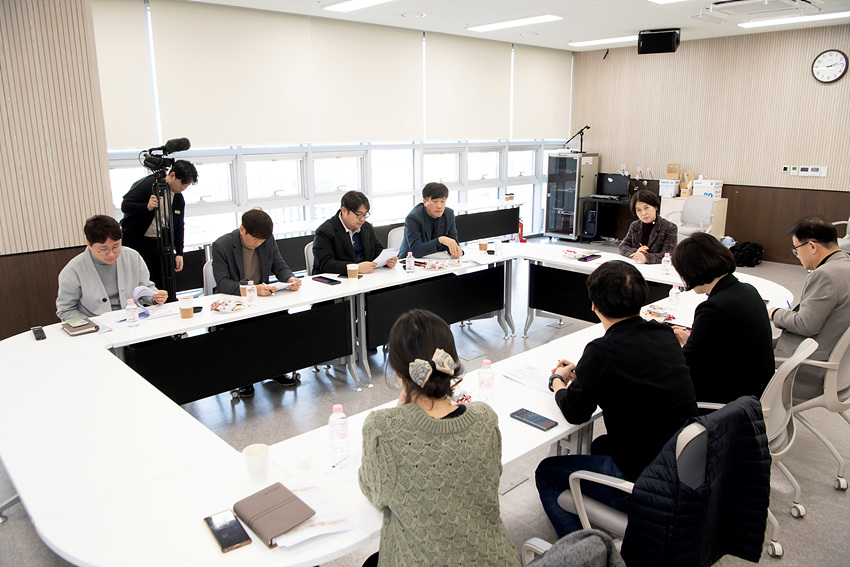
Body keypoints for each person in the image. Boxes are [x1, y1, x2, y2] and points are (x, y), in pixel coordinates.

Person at [535, 261, 697, 538]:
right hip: (680, 464)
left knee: (546, 472)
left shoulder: (602, 350)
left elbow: (575, 412)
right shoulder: (664, 333)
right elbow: (634, 370)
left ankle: (584, 551)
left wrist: (558, 382)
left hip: (644, 479)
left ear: (594, 306)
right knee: (599, 445)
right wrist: (586, 372)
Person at [358, 309, 519, 567]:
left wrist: (398, 414)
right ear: (451, 363)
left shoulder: (382, 429)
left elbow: (375, 493)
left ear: (398, 372)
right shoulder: (485, 418)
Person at [671, 232, 775, 403]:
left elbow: (687, 363)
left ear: (693, 270)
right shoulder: (748, 290)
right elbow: (728, 345)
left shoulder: (713, 308)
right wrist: (693, 339)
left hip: (732, 399)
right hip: (757, 387)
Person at [211, 208, 303, 396]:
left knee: (281, 320)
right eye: (255, 239)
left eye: (262, 240)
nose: (258, 243)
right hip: (236, 301)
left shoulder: (267, 240)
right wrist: (252, 289)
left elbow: (279, 265)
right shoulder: (222, 245)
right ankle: (245, 378)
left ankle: (276, 370)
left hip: (262, 299)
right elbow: (223, 283)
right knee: (243, 330)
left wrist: (290, 279)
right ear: (242, 229)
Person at [769, 216, 850, 402]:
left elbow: (805, 325)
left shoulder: (825, 275)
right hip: (840, 369)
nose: (797, 256)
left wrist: (774, 313)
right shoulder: (845, 264)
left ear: (812, 246)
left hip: (807, 369)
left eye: (797, 249)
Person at [56, 215, 167, 321]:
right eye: (103, 249)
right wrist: (92, 324)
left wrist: (154, 297)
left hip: (133, 320)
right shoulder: (73, 269)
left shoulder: (132, 257)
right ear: (89, 245)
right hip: (97, 328)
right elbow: (65, 310)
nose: (111, 254)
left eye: (116, 246)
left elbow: (145, 288)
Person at [120, 160, 199, 291]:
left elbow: (179, 226)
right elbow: (125, 206)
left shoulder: (178, 198)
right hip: (137, 243)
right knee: (144, 284)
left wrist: (179, 252)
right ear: (172, 175)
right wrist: (147, 207)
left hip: (161, 244)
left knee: (163, 284)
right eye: (183, 184)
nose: (183, 188)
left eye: (187, 186)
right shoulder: (149, 185)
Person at [312, 191, 397, 276]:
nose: (362, 219)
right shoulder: (325, 231)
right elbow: (326, 264)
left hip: (365, 278)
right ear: (344, 211)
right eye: (359, 215)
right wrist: (356, 268)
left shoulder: (366, 227)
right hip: (337, 279)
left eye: (365, 214)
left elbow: (378, 251)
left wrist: (388, 261)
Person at [398, 182, 463, 259]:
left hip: (436, 259)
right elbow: (416, 251)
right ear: (425, 202)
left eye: (443, 201)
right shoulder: (413, 218)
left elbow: (453, 241)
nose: (439, 206)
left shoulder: (448, 214)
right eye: (435, 201)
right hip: (410, 261)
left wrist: (456, 251)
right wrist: (440, 240)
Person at [618, 189, 677, 264]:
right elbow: (622, 246)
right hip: (637, 265)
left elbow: (669, 254)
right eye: (639, 210)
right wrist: (636, 252)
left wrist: (646, 258)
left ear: (655, 207)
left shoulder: (669, 227)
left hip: (656, 267)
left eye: (646, 208)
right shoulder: (635, 225)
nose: (643, 213)